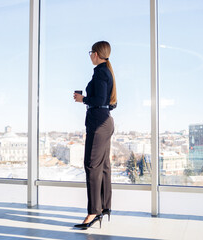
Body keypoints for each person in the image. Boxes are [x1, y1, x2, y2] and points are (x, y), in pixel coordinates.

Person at [73, 41, 117, 229]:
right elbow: (111, 103)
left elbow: (99, 99)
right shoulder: (107, 71)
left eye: (91, 52)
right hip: (105, 121)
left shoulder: (100, 72)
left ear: (97, 54)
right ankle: (104, 207)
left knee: (91, 165)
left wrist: (83, 99)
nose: (90, 55)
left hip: (98, 123)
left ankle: (93, 212)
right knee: (103, 166)